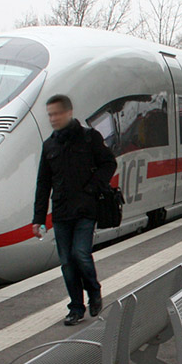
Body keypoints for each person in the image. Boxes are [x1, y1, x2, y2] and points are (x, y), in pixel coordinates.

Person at [32, 94, 118, 326]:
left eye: (57, 113)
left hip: (85, 209)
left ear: (69, 113)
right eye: (50, 114)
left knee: (80, 253)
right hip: (61, 212)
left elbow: (109, 163)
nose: (53, 118)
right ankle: (76, 308)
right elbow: (43, 183)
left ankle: (94, 290)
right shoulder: (49, 145)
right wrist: (38, 219)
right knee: (67, 263)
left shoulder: (89, 138)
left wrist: (93, 187)